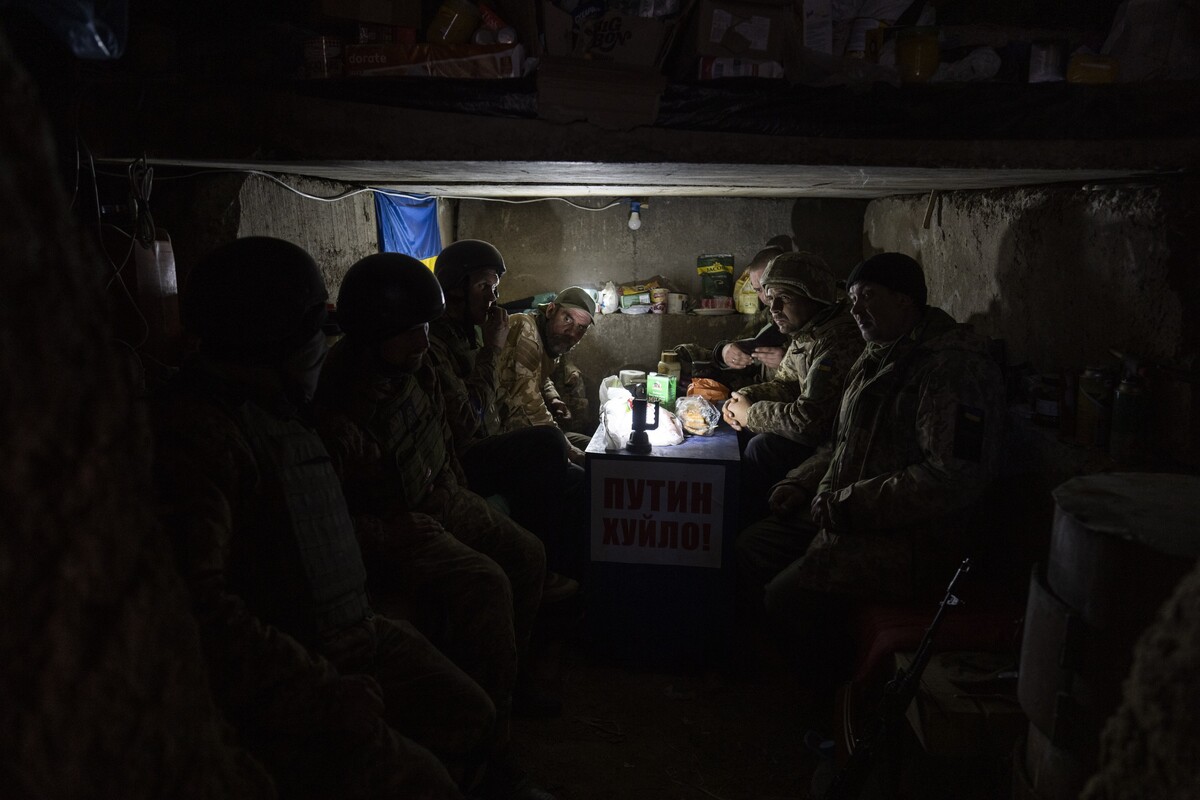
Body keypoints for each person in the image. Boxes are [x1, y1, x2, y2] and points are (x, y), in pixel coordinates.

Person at [153, 237, 494, 800]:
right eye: (312, 334)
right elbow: (196, 612)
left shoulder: (277, 404)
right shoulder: (199, 439)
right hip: (302, 661)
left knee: (470, 713)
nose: (320, 348)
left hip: (347, 624)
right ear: (272, 343)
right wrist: (320, 692)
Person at [315, 253, 565, 734]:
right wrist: (385, 532)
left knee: (529, 553)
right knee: (487, 581)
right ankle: (490, 731)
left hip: (442, 493)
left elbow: (450, 433)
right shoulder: (342, 396)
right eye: (409, 331)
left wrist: (459, 490)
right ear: (373, 331)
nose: (422, 342)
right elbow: (330, 510)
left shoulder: (418, 362)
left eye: (425, 328)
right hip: (401, 525)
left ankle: (508, 681)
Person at [736, 252, 1005, 667]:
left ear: (904, 302)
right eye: (854, 298)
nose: (855, 309)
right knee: (754, 545)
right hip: (846, 510)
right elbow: (842, 441)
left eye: (868, 298)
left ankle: (827, 689)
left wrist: (846, 505)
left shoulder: (951, 369)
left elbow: (951, 479)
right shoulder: (878, 354)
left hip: (910, 540)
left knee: (784, 598)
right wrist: (803, 483)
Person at [428, 240, 588, 579]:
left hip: (489, 438)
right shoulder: (437, 344)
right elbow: (468, 418)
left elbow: (531, 375)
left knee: (576, 480)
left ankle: (571, 570)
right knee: (550, 445)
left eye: (495, 288)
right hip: (465, 455)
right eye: (484, 286)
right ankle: (544, 566)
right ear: (455, 288)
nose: (492, 297)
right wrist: (492, 348)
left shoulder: (465, 335)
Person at [721, 252, 864, 521]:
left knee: (762, 447)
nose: (773, 308)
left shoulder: (839, 340)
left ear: (816, 297)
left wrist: (751, 414)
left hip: (833, 446)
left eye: (784, 298)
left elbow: (810, 422)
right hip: (819, 436)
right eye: (770, 296)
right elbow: (785, 385)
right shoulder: (806, 332)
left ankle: (755, 522)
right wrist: (743, 398)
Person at [496, 287, 597, 464]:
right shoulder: (526, 329)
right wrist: (569, 451)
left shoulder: (550, 340)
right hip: (499, 433)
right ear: (550, 310)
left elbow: (536, 373)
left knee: (595, 449)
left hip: (521, 429)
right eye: (567, 319)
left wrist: (553, 399)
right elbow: (529, 403)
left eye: (581, 328)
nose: (572, 333)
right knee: (581, 473)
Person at [674, 245, 790, 391]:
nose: (766, 296)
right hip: (755, 384)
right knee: (682, 355)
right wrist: (725, 351)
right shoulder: (768, 314)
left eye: (769, 287)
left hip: (781, 394)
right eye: (758, 290)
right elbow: (742, 342)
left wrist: (787, 361)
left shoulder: (808, 317)